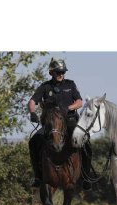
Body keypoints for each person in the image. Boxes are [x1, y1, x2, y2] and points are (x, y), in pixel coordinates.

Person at [28, 57, 94, 190]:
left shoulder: (70, 84)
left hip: (69, 122)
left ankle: (86, 176)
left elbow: (79, 102)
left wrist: (68, 108)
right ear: (51, 72)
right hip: (51, 125)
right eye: (58, 72)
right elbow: (32, 101)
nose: (61, 74)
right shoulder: (45, 87)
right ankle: (38, 176)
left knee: (86, 143)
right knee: (33, 141)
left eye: (63, 72)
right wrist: (32, 112)